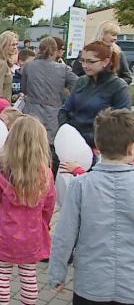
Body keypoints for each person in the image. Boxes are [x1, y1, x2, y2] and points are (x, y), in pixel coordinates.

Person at [49, 108, 134, 304]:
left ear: (97, 145)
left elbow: (64, 235)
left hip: (91, 284)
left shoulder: (81, 185)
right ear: (131, 148)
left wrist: (57, 274)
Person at [0, 116, 55, 305]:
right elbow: (49, 205)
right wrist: (44, 225)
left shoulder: (1, 169)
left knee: (2, 275)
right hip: (31, 234)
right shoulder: (45, 173)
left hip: (3, 233)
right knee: (29, 276)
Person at [20, 37, 78, 176]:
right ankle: (48, 180)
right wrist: (64, 95)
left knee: (30, 147)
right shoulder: (63, 69)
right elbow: (77, 83)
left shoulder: (29, 66)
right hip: (53, 113)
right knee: (50, 150)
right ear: (55, 51)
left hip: (32, 111)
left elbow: (24, 89)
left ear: (39, 49)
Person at [59, 41, 131, 149]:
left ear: (105, 61)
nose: (85, 66)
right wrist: (69, 133)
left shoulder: (118, 86)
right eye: (82, 61)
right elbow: (64, 110)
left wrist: (94, 140)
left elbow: (122, 124)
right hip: (73, 142)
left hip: (102, 147)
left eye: (90, 62)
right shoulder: (81, 82)